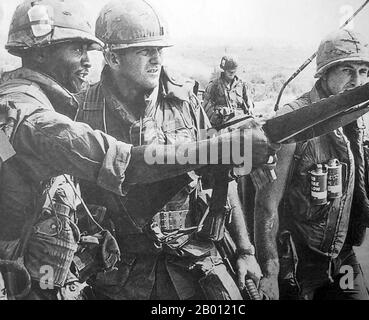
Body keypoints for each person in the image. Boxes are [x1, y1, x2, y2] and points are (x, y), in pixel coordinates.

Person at [0, 0, 276, 300]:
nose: (157, 59)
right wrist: (220, 148)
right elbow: (126, 163)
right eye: (144, 50)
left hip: (195, 263)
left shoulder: (185, 103)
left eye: (160, 50)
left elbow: (221, 179)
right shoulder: (69, 111)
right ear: (113, 58)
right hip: (119, 277)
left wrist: (245, 250)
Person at [255, 29, 369, 300]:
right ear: (324, 73)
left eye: (365, 71)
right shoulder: (294, 122)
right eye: (347, 70)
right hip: (296, 264)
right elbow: (266, 205)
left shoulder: (355, 118)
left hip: (341, 258)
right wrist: (270, 272)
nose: (358, 81)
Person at [203, 55, 254, 126]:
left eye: (233, 71)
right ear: (224, 70)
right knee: (209, 134)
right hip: (220, 124)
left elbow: (248, 101)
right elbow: (205, 108)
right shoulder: (214, 85)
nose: (231, 73)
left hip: (240, 122)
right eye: (229, 71)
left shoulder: (242, 85)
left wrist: (250, 108)